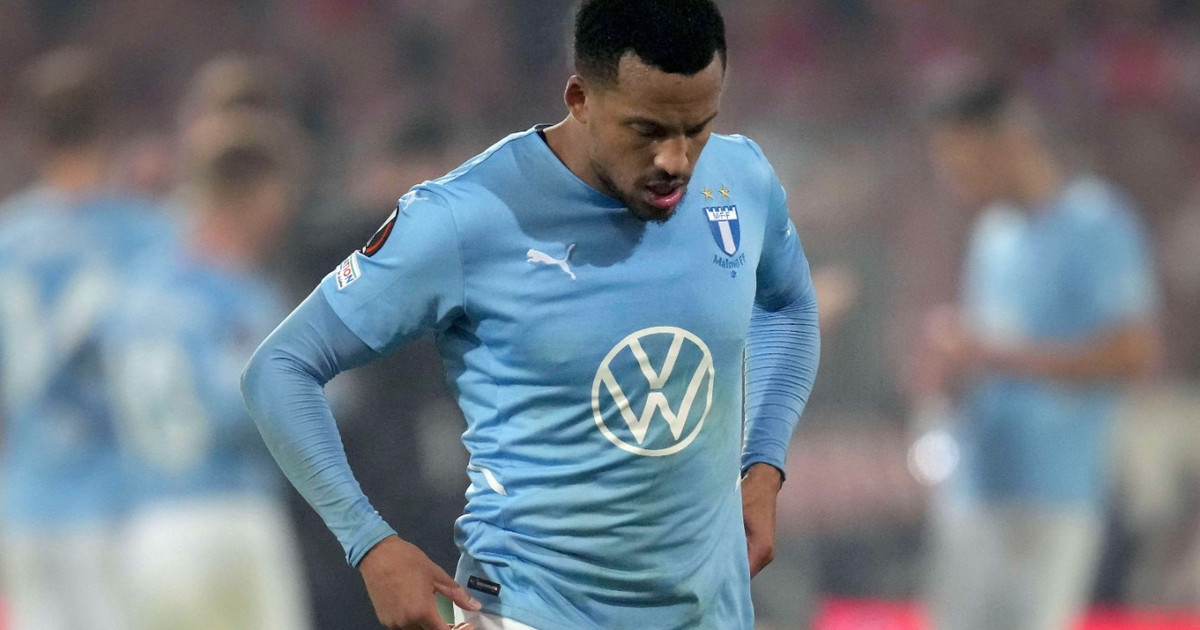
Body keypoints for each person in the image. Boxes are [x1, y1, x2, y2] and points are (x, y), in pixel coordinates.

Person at [241, 1, 821, 628]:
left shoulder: (741, 180)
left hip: (712, 614)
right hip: (529, 611)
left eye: (698, 128)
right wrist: (370, 543)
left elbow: (788, 307)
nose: (676, 160)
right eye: (647, 131)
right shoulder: (467, 216)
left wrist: (764, 466)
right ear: (579, 98)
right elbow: (280, 367)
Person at [918, 80, 1161, 630]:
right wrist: (952, 369)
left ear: (1008, 141)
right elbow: (988, 356)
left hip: (1052, 494)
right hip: (975, 487)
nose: (952, 179)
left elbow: (1133, 353)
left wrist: (996, 356)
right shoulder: (993, 234)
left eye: (961, 161)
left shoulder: (1096, 223)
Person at [104, 111, 313, 630]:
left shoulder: (133, 292)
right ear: (256, 198)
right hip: (232, 514)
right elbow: (250, 403)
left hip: (148, 526)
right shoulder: (240, 295)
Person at [0, 48, 172, 630]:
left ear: (31, 138)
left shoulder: (7, 240)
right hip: (120, 498)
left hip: (27, 500)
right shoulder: (148, 234)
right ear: (109, 129)